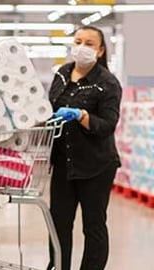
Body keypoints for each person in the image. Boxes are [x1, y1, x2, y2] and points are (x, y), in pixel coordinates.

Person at [47, 26, 122, 270]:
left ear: (100, 51)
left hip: (96, 165)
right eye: (78, 41)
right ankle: (58, 266)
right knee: (58, 223)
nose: (82, 47)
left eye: (89, 44)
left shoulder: (108, 83)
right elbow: (46, 108)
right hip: (63, 163)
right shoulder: (61, 74)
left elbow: (107, 125)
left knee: (93, 225)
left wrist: (81, 115)